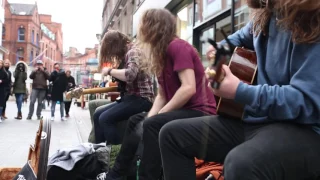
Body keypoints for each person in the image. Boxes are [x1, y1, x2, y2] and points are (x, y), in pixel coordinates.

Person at [158, 0, 320, 180]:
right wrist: (219, 50)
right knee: (171, 135)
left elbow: (306, 101)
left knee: (240, 163)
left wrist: (239, 91)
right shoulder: (267, 14)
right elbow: (238, 38)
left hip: (305, 131)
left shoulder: (314, 18)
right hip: (257, 120)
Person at [100, 9, 216, 180]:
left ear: (153, 27)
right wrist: (150, 116)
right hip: (182, 110)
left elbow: (188, 87)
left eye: (143, 26)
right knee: (136, 121)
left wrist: (158, 116)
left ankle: (147, 177)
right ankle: (116, 174)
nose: (140, 31)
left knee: (153, 125)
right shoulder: (161, 54)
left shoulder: (178, 46)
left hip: (200, 111)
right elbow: (162, 95)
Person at [93, 30, 155, 145]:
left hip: (142, 99)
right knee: (97, 114)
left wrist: (110, 71)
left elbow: (130, 75)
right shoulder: (128, 54)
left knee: (105, 119)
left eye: (111, 51)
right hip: (131, 98)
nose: (112, 54)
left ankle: (114, 153)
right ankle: (98, 150)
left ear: (115, 45)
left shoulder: (133, 51)